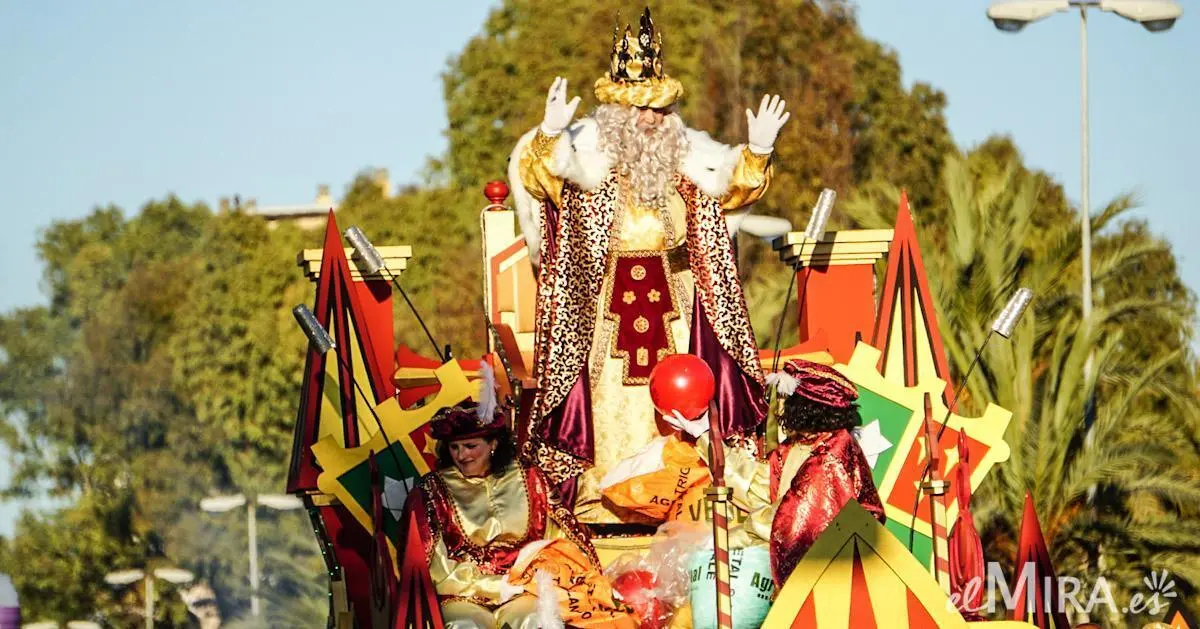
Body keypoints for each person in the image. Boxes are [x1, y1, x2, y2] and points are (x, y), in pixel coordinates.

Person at [509, 7, 791, 526]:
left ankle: (687, 496)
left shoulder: (688, 164)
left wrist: (758, 150)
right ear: (616, 116)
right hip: (604, 313)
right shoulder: (585, 167)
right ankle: (602, 502)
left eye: (661, 112)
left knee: (683, 400)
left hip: (675, 305)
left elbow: (732, 189)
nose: (654, 121)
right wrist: (549, 137)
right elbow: (538, 181)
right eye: (643, 111)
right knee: (607, 407)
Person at [403, 401, 634, 628]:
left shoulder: (530, 478)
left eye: (470, 446)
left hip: (523, 590)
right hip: (461, 594)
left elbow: (561, 540)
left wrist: (552, 578)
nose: (462, 455)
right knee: (465, 625)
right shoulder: (433, 490)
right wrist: (492, 586)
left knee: (536, 620)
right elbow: (432, 564)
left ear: (493, 443)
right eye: (454, 447)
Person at [665, 358, 885, 585]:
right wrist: (706, 437)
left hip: (833, 574)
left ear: (805, 405)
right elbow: (757, 487)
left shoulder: (831, 456)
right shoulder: (798, 445)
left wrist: (729, 540)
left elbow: (791, 521)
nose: (777, 407)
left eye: (784, 398)